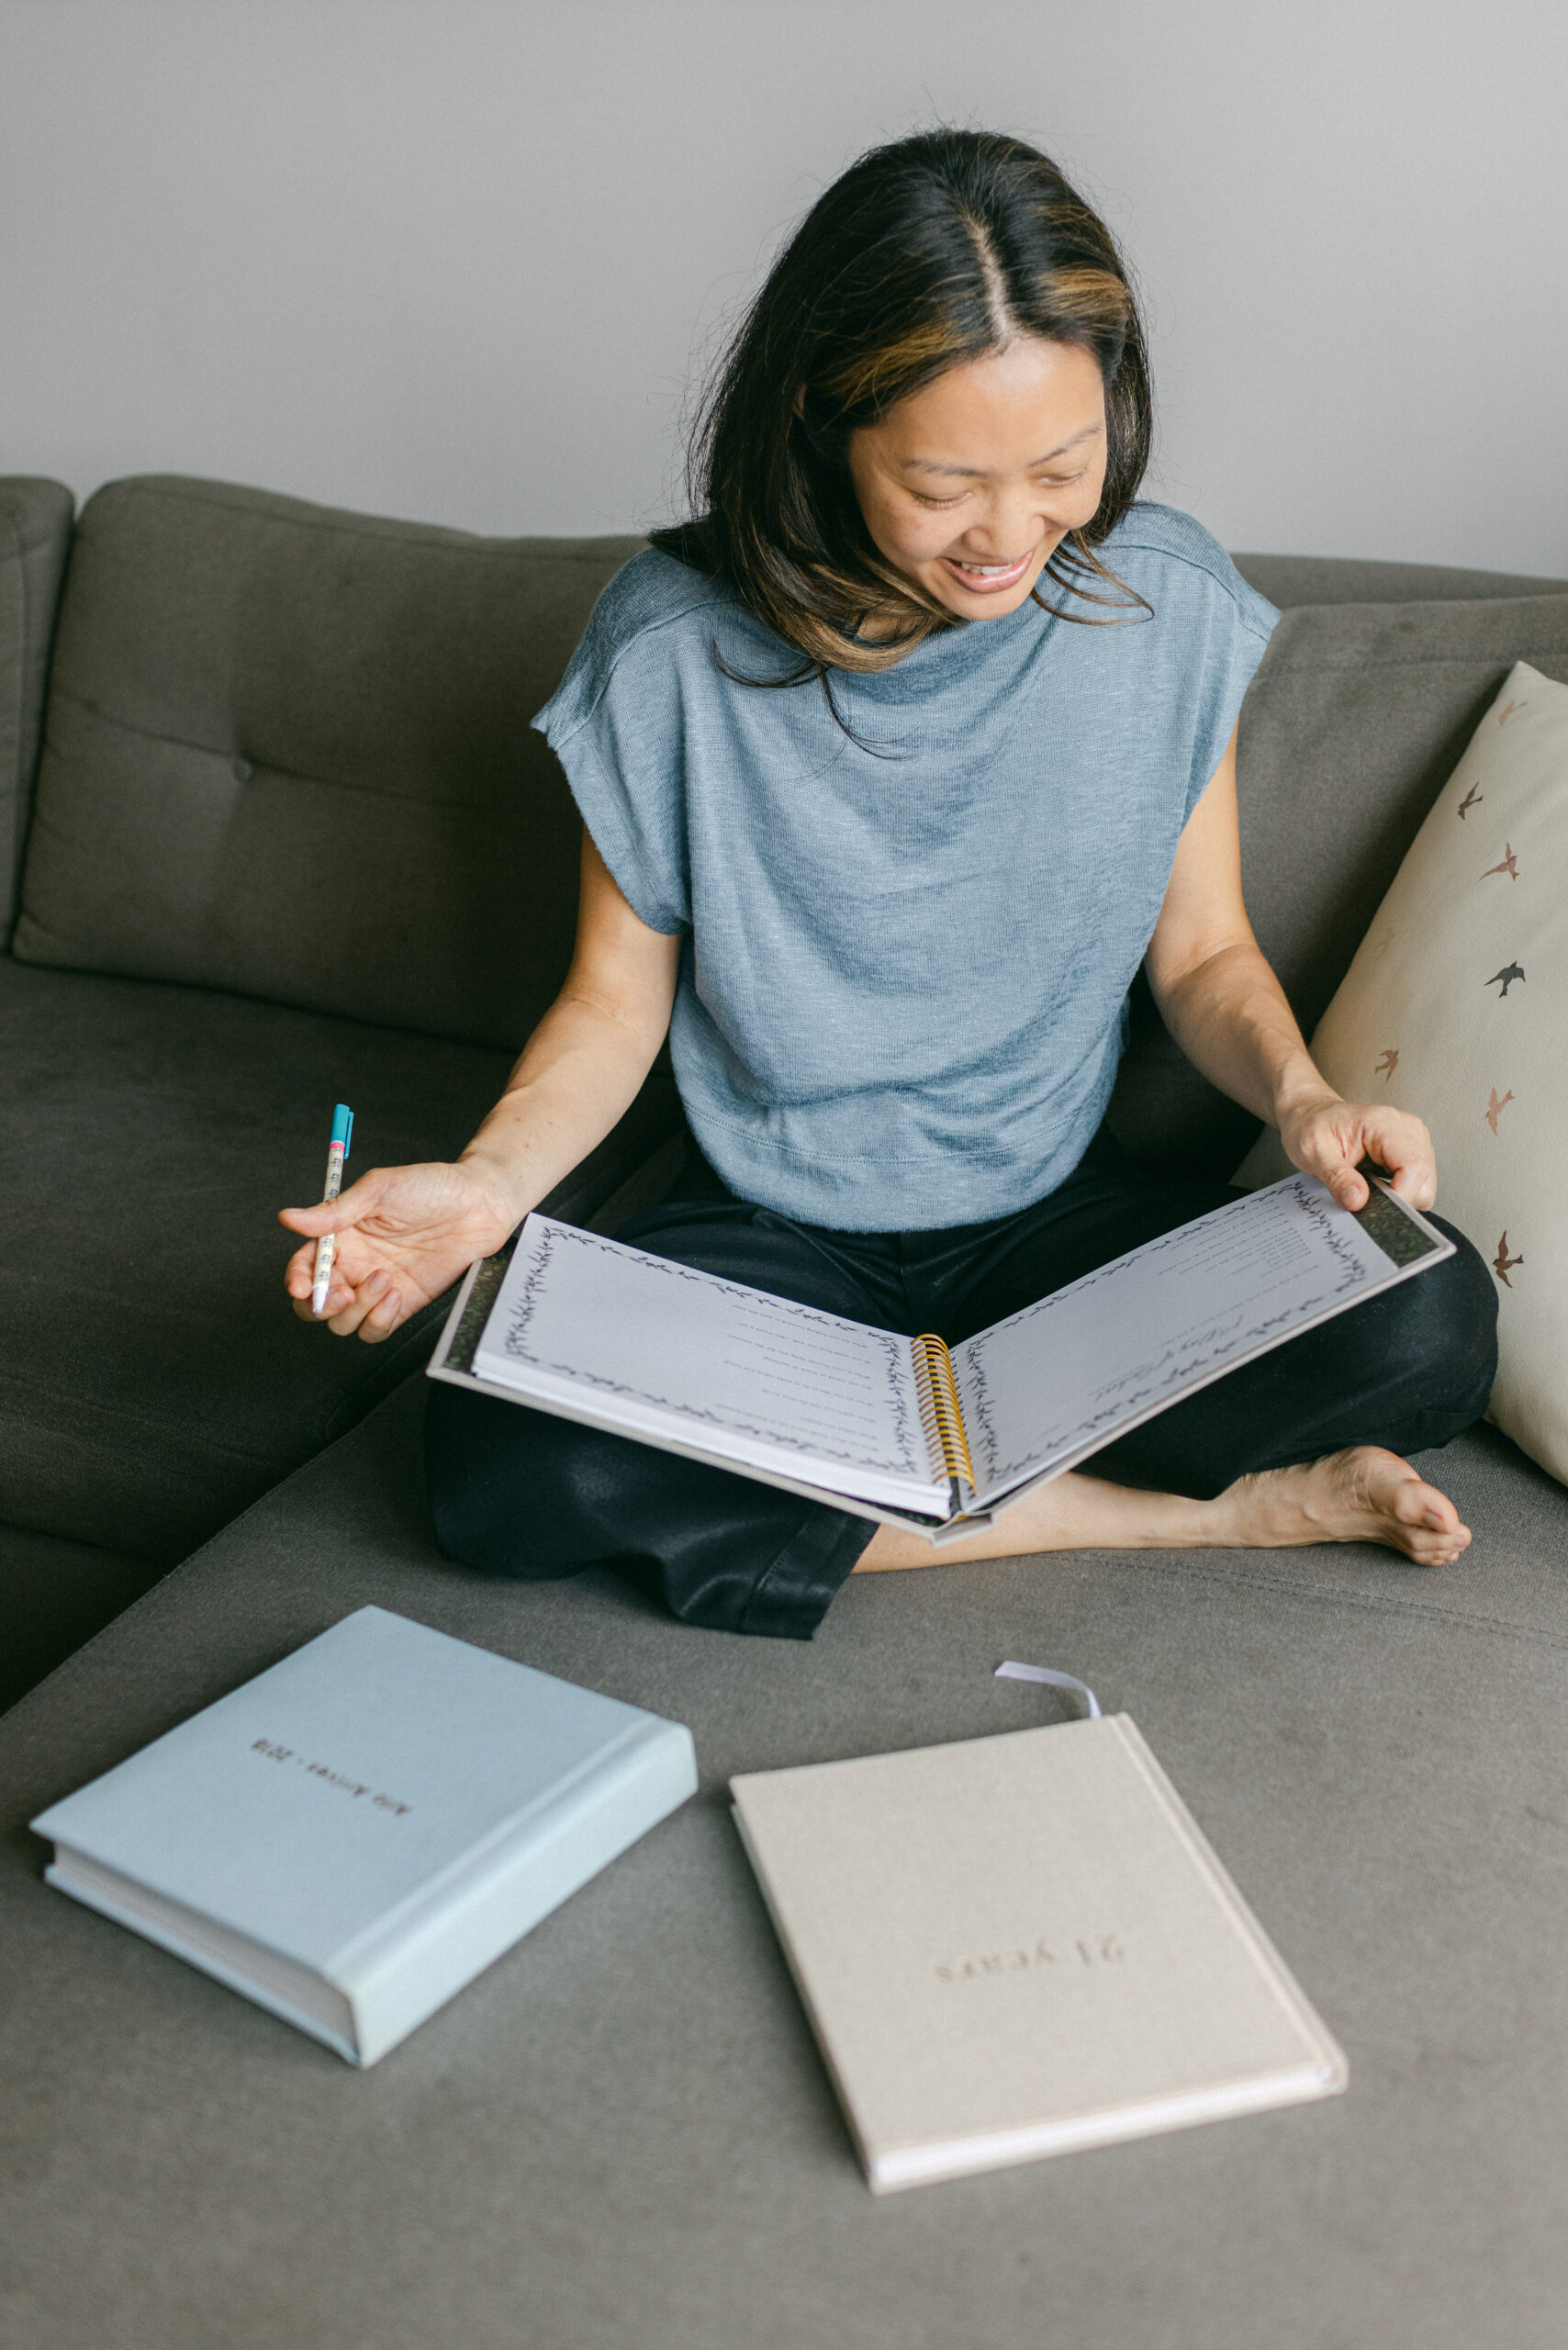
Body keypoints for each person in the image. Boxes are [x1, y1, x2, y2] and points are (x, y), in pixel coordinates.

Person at [280, 129, 1497, 1640]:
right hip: (769, 1248)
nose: (1009, 536)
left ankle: (876, 1481)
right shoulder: (667, 649)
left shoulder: (1164, 605)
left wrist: (1304, 1100)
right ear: (820, 421)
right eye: (944, 484)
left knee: (1431, 1312)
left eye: (1062, 469)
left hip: (1057, 1233)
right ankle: (1180, 1516)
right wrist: (490, 1188)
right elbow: (611, 1003)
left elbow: (1202, 954)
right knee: (495, 1458)